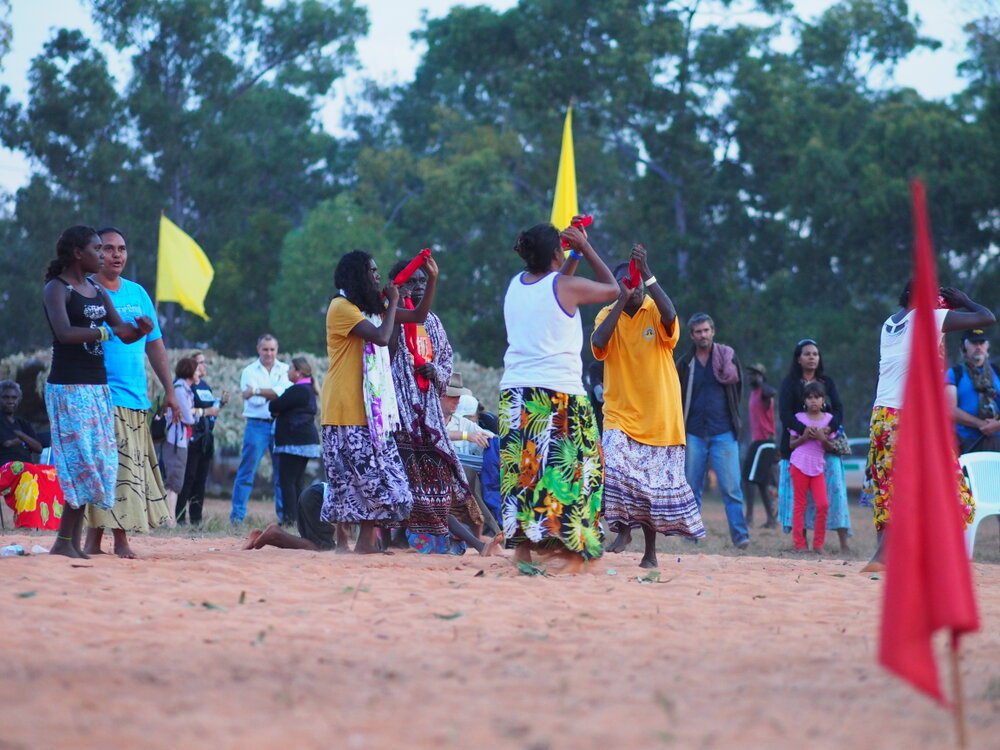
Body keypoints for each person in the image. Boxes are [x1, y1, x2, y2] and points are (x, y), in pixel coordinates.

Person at [498, 220, 618, 573]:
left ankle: (522, 550)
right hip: (557, 396)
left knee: (525, 475)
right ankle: (570, 550)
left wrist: (573, 253)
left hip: (516, 395)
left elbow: (552, 287)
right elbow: (613, 289)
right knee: (577, 472)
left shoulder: (516, 285)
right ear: (556, 252)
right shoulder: (564, 286)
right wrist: (587, 249)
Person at [863, 284, 994, 571]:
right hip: (910, 417)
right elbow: (987, 317)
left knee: (889, 487)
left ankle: (886, 557)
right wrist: (965, 301)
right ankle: (920, 556)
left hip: (883, 416)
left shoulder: (890, 324)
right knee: (949, 486)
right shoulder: (929, 318)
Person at [42, 225, 153, 558]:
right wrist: (105, 333)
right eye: (98, 249)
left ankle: (68, 543)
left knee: (98, 463)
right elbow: (64, 333)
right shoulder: (57, 289)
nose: (104, 255)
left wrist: (140, 330)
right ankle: (65, 542)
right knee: (79, 462)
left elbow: (123, 331)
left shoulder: (95, 290)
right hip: (68, 386)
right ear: (79, 253)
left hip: (97, 387)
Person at [591, 245, 705, 568]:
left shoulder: (656, 308)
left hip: (659, 416)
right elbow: (599, 343)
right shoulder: (605, 315)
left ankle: (650, 553)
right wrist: (620, 301)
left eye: (637, 281)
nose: (633, 286)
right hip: (620, 414)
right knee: (612, 466)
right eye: (626, 282)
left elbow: (671, 317)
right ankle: (624, 530)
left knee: (650, 490)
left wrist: (649, 274)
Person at [319, 249, 437, 553]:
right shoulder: (341, 308)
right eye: (372, 271)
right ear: (358, 275)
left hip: (371, 411)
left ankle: (361, 546)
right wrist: (393, 302)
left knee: (379, 479)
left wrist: (433, 279)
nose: (377, 276)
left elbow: (419, 317)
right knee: (352, 482)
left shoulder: (368, 309)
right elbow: (382, 338)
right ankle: (349, 546)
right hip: (346, 408)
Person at [387, 262, 497, 556]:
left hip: (428, 415)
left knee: (438, 482)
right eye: (413, 280)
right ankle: (473, 543)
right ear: (397, 284)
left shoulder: (432, 322)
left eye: (424, 280)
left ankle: (470, 540)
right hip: (399, 418)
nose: (420, 285)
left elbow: (447, 359)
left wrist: (433, 370)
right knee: (411, 484)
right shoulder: (389, 318)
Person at [83, 226, 177, 558]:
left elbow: (155, 346)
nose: (116, 254)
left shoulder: (137, 293)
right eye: (108, 248)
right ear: (95, 253)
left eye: (121, 248)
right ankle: (117, 541)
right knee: (111, 470)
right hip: (101, 396)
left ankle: (94, 541)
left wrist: (170, 391)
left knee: (125, 470)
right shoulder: (87, 292)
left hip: (137, 399)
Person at [676, 313, 751, 549]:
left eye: (706, 330)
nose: (703, 335)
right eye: (698, 331)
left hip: (723, 431)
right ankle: (691, 533)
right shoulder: (685, 362)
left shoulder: (727, 356)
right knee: (692, 486)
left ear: (713, 331)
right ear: (691, 335)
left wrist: (734, 420)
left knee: (731, 488)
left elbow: (738, 388)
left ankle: (740, 536)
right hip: (694, 431)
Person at [776, 339, 852, 553]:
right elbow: (784, 414)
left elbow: (838, 409)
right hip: (798, 450)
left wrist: (829, 428)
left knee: (834, 493)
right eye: (807, 354)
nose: (812, 357)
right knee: (798, 500)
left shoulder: (827, 382)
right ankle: (802, 543)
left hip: (827, 446)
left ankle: (843, 543)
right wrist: (804, 429)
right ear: (798, 359)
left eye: (815, 354)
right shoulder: (790, 384)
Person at [230, 334, 291, 525]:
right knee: (247, 471)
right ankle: (237, 518)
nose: (269, 353)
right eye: (265, 349)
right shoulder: (249, 371)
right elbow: (258, 401)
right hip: (256, 424)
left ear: (277, 350)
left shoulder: (285, 369)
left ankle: (284, 517)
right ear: (258, 349)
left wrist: (257, 391)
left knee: (282, 473)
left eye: (272, 349)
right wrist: (273, 393)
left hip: (279, 423)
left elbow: (285, 395)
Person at [0, 380, 63, 530]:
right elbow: (6, 444)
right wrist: (24, 441)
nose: (10, 401)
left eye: (13, 398)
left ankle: (50, 524)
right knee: (26, 469)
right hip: (4, 469)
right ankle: (27, 523)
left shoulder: (22, 424)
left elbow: (38, 448)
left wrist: (21, 436)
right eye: (5, 397)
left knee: (54, 473)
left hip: (25, 468)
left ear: (18, 400)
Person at [268, 356, 321, 528]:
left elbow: (274, 405)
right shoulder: (307, 389)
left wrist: (279, 411)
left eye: (290, 369)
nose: (288, 371)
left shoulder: (298, 390)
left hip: (294, 442)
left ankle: (290, 519)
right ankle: (300, 518)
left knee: (287, 481)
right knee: (297, 481)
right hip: (303, 441)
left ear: (298, 372)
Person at [176, 350, 228, 525]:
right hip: (191, 437)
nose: (204, 366)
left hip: (206, 437)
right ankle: (179, 516)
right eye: (201, 362)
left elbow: (210, 409)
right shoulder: (186, 386)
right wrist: (206, 412)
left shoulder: (205, 385)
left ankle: (196, 518)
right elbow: (187, 410)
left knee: (201, 479)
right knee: (187, 477)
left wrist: (219, 404)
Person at [787, 381, 837, 552]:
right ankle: (799, 544)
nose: (813, 401)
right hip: (799, 464)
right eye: (809, 398)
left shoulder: (829, 420)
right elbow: (792, 444)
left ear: (823, 399)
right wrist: (804, 437)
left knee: (822, 504)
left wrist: (823, 439)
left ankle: (818, 544)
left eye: (817, 397)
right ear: (804, 401)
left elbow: (831, 446)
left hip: (817, 467)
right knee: (799, 505)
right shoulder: (799, 419)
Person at [946, 328, 1000, 454]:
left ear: (987, 347)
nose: (978, 347)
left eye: (982, 343)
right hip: (967, 441)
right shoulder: (955, 373)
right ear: (964, 347)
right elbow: (949, 409)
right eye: (974, 343)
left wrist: (996, 425)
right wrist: (981, 424)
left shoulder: (997, 372)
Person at [742, 363, 777, 528]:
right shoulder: (754, 393)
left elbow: (772, 392)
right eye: (750, 374)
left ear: (761, 377)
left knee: (748, 478)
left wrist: (762, 381)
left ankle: (748, 517)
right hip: (758, 441)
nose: (751, 377)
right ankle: (771, 520)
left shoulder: (764, 393)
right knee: (762, 482)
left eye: (754, 374)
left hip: (764, 441)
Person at [163, 357, 198, 524]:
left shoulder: (183, 389)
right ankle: (169, 520)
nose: (199, 373)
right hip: (176, 441)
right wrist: (199, 412)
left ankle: (170, 519)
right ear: (190, 371)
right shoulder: (180, 390)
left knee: (176, 481)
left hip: (180, 439)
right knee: (173, 480)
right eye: (197, 370)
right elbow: (188, 418)